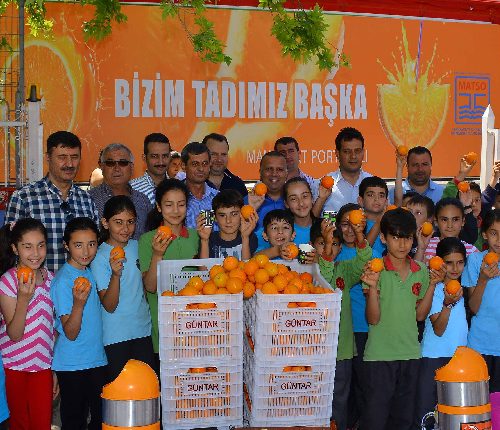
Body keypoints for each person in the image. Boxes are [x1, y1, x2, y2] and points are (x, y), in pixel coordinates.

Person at [360, 208, 434, 430]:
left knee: (403, 420)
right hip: (379, 356)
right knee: (375, 420)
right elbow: (373, 319)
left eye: (408, 238)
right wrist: (373, 288)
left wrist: (432, 284)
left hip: (410, 354)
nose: (402, 244)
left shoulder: (421, 270)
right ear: (383, 238)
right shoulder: (374, 269)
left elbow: (420, 315)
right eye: (395, 237)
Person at [5, 131, 98, 272]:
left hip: (80, 283)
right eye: (62, 157)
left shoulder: (87, 200)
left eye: (74, 157)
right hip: (36, 284)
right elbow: (9, 249)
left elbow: (95, 246)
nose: (69, 164)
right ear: (48, 158)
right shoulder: (24, 198)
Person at [51, 217, 107, 430]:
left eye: (91, 244)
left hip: (96, 359)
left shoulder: (88, 272)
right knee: (74, 421)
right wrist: (78, 304)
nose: (86, 251)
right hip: (73, 364)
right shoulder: (63, 280)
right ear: (66, 246)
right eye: (78, 245)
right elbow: (71, 332)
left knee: (101, 419)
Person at [90, 196, 155, 382]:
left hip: (143, 331)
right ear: (105, 223)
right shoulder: (99, 257)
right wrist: (115, 275)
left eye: (130, 222)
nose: (125, 228)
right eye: (118, 222)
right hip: (116, 336)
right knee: (119, 391)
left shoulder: (139, 246)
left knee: (146, 388)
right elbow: (109, 305)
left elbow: (146, 287)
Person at [316, 216, 372, 430]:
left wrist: (359, 235)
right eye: (323, 243)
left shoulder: (345, 270)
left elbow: (364, 260)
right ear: (312, 245)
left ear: (341, 248)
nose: (329, 248)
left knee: (340, 399)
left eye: (335, 244)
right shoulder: (305, 271)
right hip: (313, 350)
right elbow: (324, 274)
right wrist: (327, 250)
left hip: (342, 350)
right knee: (314, 398)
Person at [139, 179, 200, 374]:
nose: (175, 210)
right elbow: (150, 287)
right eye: (168, 205)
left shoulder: (196, 236)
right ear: (158, 207)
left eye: (181, 204)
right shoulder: (147, 240)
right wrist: (157, 254)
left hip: (195, 326)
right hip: (164, 329)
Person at [0, 219, 56, 428]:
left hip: (43, 366)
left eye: (41, 245)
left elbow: (52, 329)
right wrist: (24, 298)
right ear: (15, 249)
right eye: (27, 246)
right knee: (20, 424)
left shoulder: (51, 279)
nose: (35, 253)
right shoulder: (7, 281)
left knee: (42, 423)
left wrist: (54, 368)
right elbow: (14, 334)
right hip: (14, 366)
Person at [415, 237, 467, 429]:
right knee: (428, 415)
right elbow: (438, 329)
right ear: (439, 262)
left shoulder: (462, 290)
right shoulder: (435, 289)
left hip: (458, 359)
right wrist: (447, 304)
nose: (455, 268)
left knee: (452, 415)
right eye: (449, 263)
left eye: (460, 262)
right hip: (433, 358)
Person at [462, 209, 500, 393]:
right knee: (478, 400)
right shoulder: (475, 260)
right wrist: (483, 279)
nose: (499, 240)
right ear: (484, 234)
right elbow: (474, 308)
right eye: (494, 233)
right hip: (479, 344)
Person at [89, 143, 152, 240]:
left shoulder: (143, 200)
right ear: (102, 167)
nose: (117, 168)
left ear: (132, 167)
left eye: (123, 163)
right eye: (110, 163)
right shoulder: (89, 200)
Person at [322, 127, 372, 213]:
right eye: (347, 151)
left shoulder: (373, 184)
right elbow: (312, 218)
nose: (353, 156)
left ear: (363, 152)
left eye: (357, 151)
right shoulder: (323, 186)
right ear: (337, 153)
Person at [245, 151, 287, 250]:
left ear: (286, 173)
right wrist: (251, 210)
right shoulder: (246, 202)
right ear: (260, 172)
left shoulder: (295, 202)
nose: (274, 174)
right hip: (254, 257)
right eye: (269, 169)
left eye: (279, 169)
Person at [199, 189, 258, 259]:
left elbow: (248, 265)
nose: (228, 220)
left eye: (234, 214)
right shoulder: (209, 239)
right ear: (215, 218)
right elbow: (203, 266)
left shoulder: (250, 237)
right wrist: (204, 240)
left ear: (242, 215)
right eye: (222, 215)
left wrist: (245, 238)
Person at [419, 198, 478, 264]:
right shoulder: (425, 245)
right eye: (444, 220)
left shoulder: (472, 252)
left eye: (455, 219)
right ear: (436, 222)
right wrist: (421, 249)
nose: (450, 225)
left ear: (463, 221)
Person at [181, 142, 219, 229]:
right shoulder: (175, 199)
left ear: (210, 165)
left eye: (205, 163)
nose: (201, 169)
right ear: (183, 165)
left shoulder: (218, 198)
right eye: (195, 164)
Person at [130, 133, 171, 205]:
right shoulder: (132, 189)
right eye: (154, 156)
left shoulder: (177, 187)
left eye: (165, 156)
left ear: (170, 157)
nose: (161, 162)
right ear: (144, 158)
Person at [284, 177, 316, 259]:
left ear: (312, 198)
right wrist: (278, 250)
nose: (301, 203)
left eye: (305, 196)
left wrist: (318, 258)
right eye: (293, 199)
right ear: (286, 204)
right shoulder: (279, 230)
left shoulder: (323, 228)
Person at [357, 176, 388, 255]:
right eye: (370, 195)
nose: (376, 199)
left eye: (381, 196)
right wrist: (379, 221)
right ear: (360, 200)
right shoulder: (356, 225)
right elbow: (363, 252)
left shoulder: (391, 223)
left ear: (386, 202)